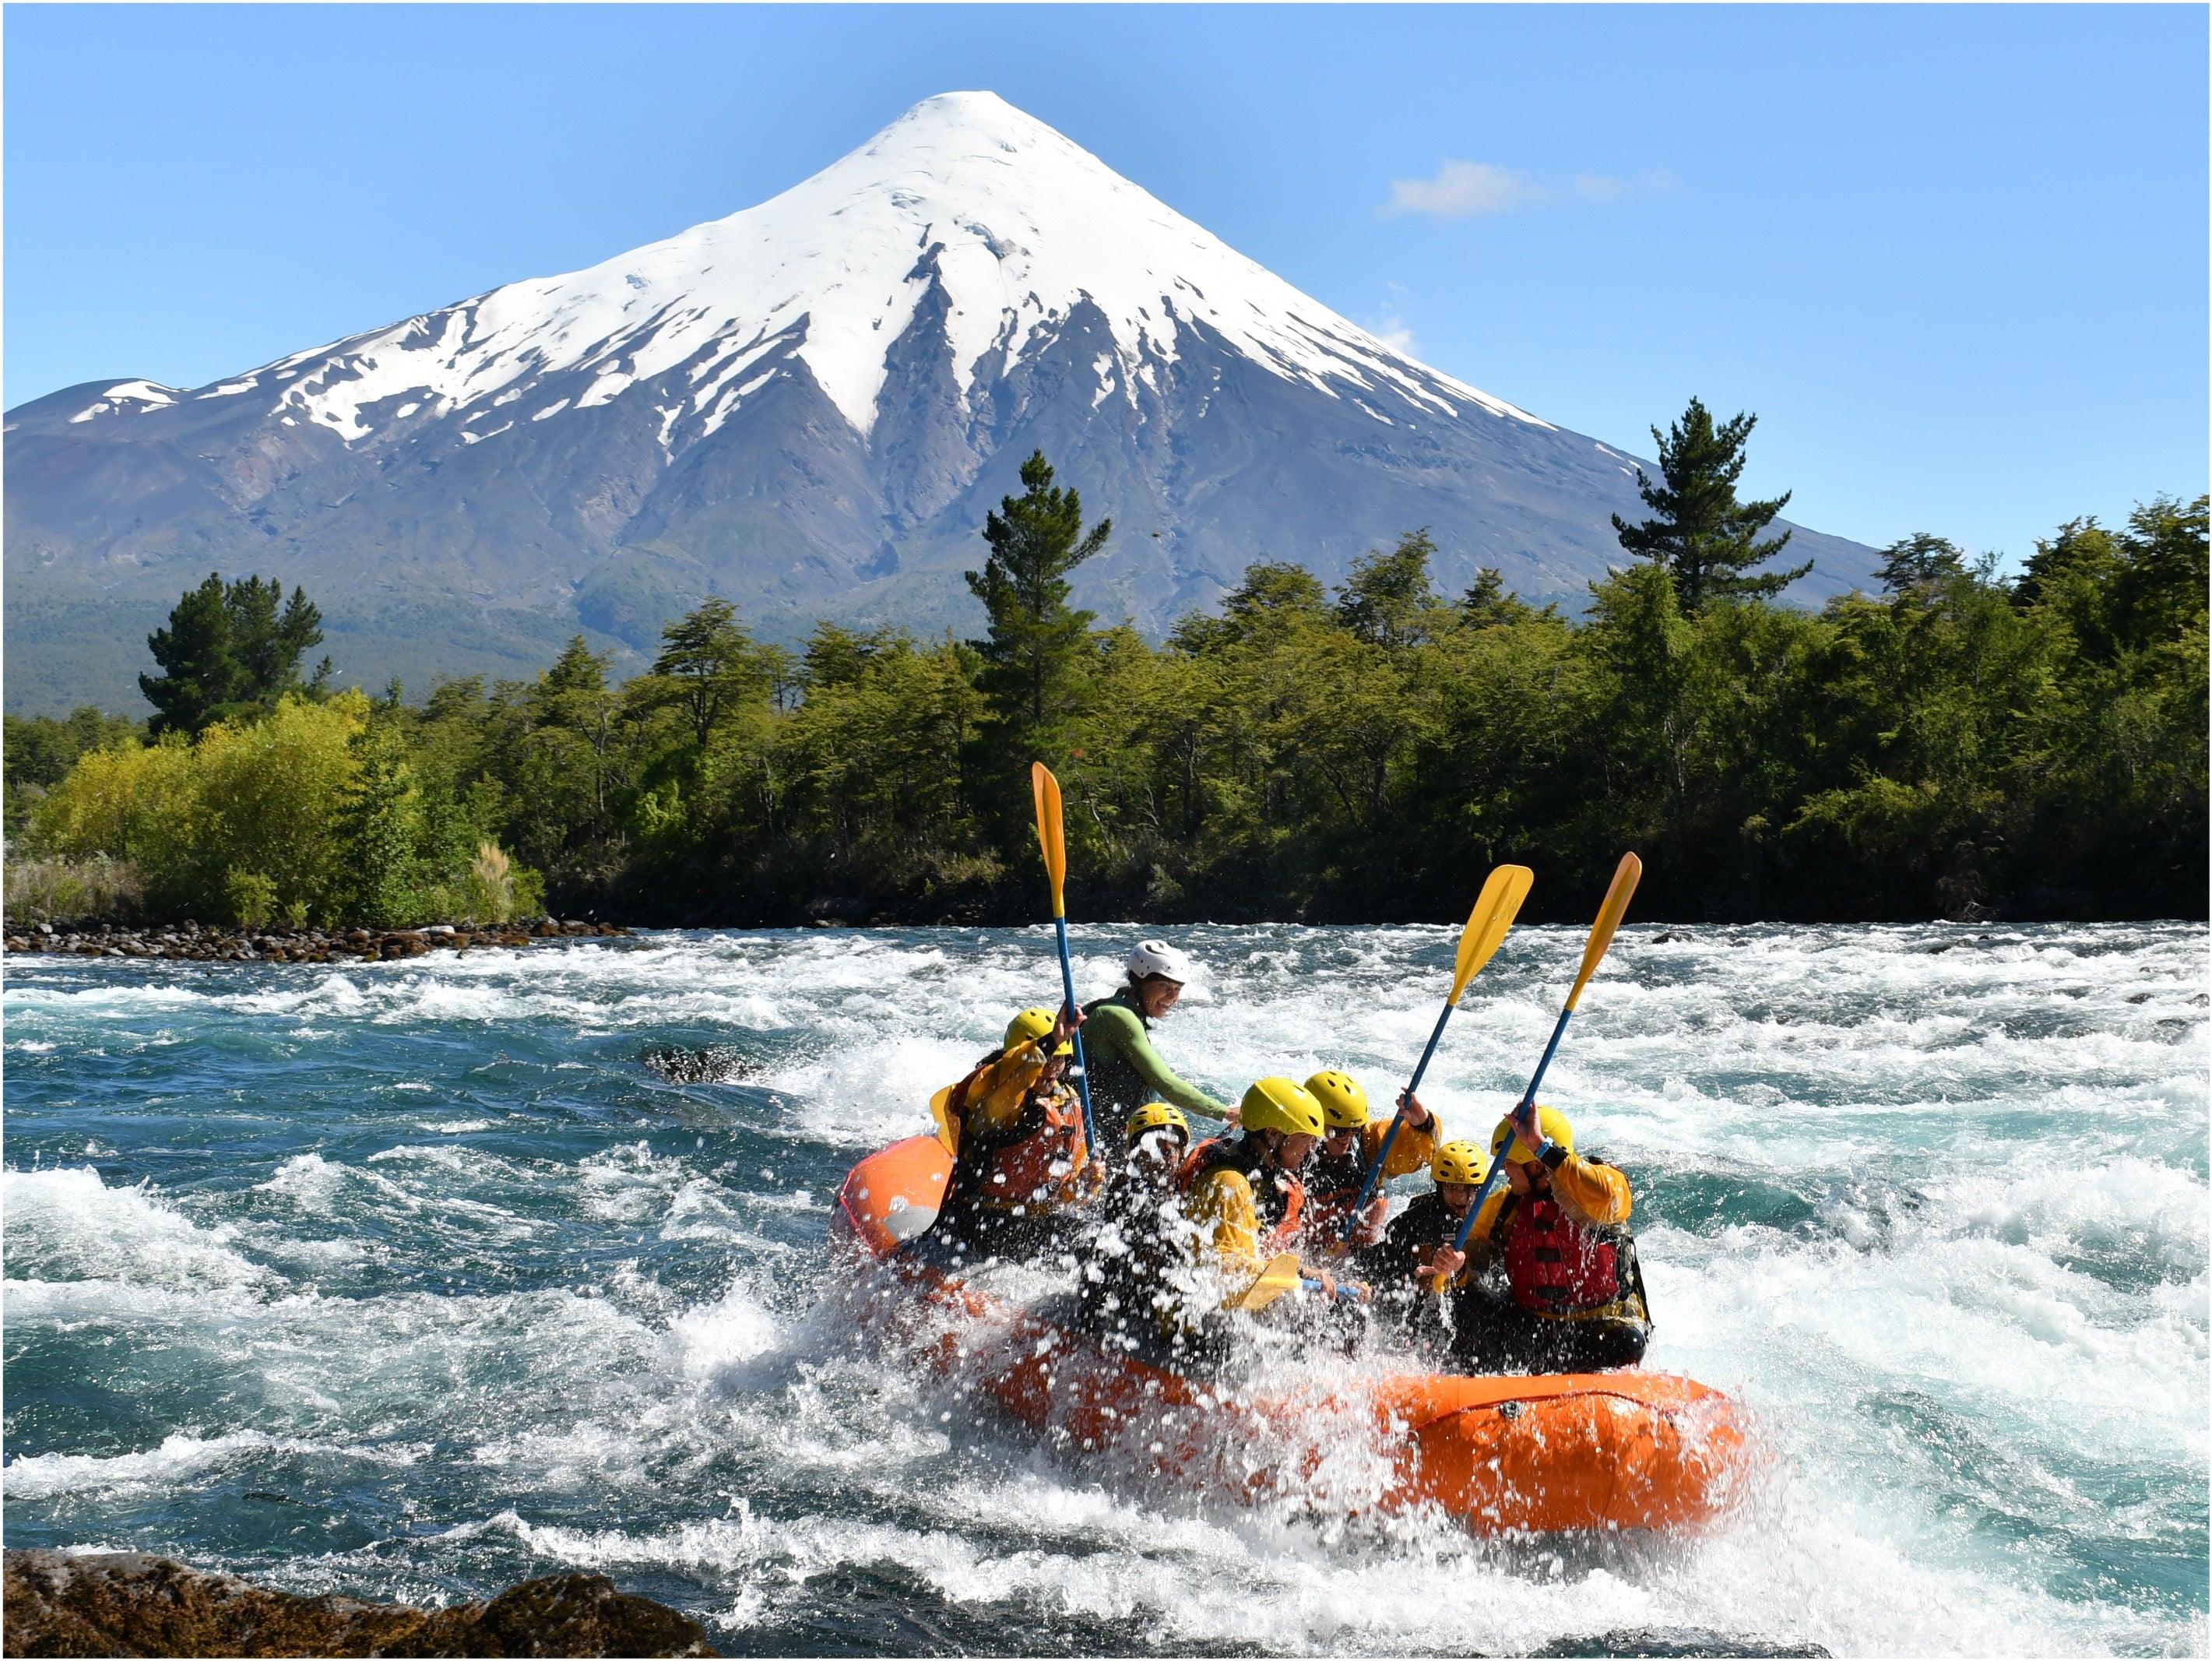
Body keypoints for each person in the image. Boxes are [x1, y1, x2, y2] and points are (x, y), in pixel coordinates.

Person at [1445, 1103, 1651, 1373]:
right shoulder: (1506, 1206)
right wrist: (1455, 1262)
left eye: (1510, 1162)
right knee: (1463, 1298)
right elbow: (1467, 1246)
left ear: (1538, 1167)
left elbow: (1609, 1196)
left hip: (1599, 1328)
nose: (1503, 1169)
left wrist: (1541, 1146)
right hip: (1534, 1329)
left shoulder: (1600, 1191)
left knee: (1629, 1342)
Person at [923, 1005, 1097, 1264]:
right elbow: (1012, 1080)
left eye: (1059, 1059)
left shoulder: (1066, 1102)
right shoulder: (992, 1096)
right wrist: (1049, 1042)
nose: (1052, 1068)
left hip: (1034, 1223)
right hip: (980, 1220)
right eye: (1047, 1058)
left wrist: (1085, 1184)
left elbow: (1065, 1193)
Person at [1180, 1077, 1349, 1310]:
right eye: (1305, 1138)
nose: (1311, 1148)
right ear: (1272, 1133)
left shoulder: (1271, 1179)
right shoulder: (1231, 1184)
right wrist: (1301, 1273)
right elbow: (1228, 1272)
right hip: (1196, 1319)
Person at [1074, 1102, 1194, 1349]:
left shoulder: (1188, 1186)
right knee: (1096, 1247)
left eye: (1170, 1149)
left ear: (1181, 1152)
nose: (1163, 1158)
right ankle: (1087, 1328)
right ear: (1137, 1155)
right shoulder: (1126, 1189)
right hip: (1130, 1290)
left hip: (1163, 1291)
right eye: (1154, 1149)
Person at [1080, 941, 1235, 1126]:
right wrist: (1224, 1112)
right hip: (1095, 1130)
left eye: (1178, 989)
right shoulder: (1117, 1015)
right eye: (1164, 986)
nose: (1172, 997)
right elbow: (1165, 1083)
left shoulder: (1126, 1010)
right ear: (1140, 981)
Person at [1361, 1138, 1490, 1354]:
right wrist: (1412, 1275)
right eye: (1451, 1188)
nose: (1459, 1197)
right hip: (1421, 1306)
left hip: (1466, 1303)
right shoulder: (1413, 1222)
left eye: (1467, 1189)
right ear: (1439, 1187)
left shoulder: (1488, 1220)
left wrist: (1462, 1272)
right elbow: (1382, 1263)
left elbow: (1493, 1270)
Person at [1297, 1072, 1441, 1254]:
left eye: (1354, 1129)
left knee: (1378, 1199)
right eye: (1340, 1130)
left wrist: (1423, 1125)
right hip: (1304, 1247)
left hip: (1356, 1251)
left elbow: (1419, 1153)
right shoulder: (1294, 1145)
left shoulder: (1369, 1141)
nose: (1348, 1138)